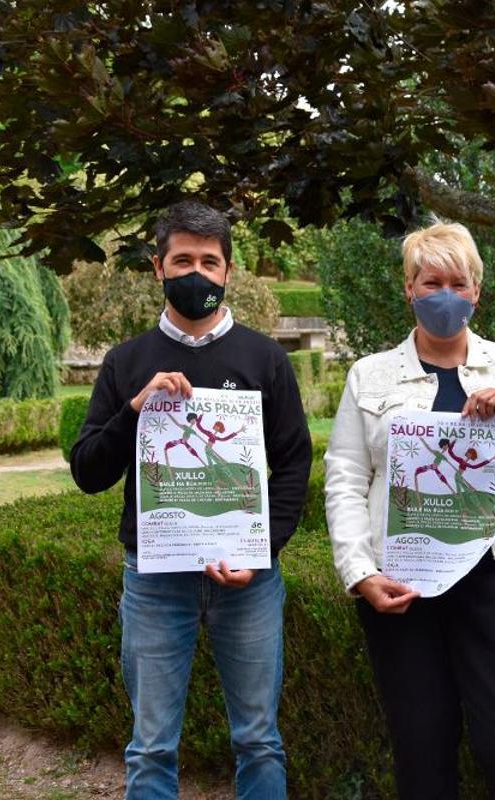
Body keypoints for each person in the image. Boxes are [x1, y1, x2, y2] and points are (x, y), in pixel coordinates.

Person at [324, 219, 495, 800]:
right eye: (431, 282)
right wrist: (360, 572)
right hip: (403, 581)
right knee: (420, 745)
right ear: (409, 289)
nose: (445, 295)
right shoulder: (370, 375)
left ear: (476, 292)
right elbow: (344, 479)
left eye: (458, 283)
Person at [69, 200, 312, 800]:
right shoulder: (126, 362)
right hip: (155, 581)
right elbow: (89, 472)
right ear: (159, 267)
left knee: (259, 739)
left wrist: (262, 551)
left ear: (228, 270)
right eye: (183, 261)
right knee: (151, 746)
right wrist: (135, 409)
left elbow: (293, 464)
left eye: (209, 261)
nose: (196, 273)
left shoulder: (265, 358)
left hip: (248, 581)